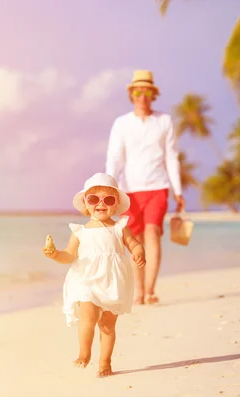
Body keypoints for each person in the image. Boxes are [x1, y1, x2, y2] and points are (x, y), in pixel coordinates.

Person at [42, 172, 145, 377]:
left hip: (112, 282)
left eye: (108, 199)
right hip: (86, 279)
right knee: (87, 316)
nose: (101, 204)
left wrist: (138, 252)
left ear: (116, 205)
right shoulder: (80, 231)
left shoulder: (119, 228)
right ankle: (84, 353)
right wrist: (55, 255)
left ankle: (105, 362)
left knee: (107, 326)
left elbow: (134, 243)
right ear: (85, 204)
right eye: (93, 199)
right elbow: (69, 255)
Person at [105, 69, 184, 305]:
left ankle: (149, 291)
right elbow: (114, 158)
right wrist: (110, 187)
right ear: (132, 94)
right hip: (129, 191)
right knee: (134, 240)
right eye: (138, 91)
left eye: (147, 91)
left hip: (158, 187)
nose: (142, 96)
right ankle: (138, 291)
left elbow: (172, 157)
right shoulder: (121, 123)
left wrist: (177, 190)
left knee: (152, 233)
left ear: (153, 94)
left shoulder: (164, 121)